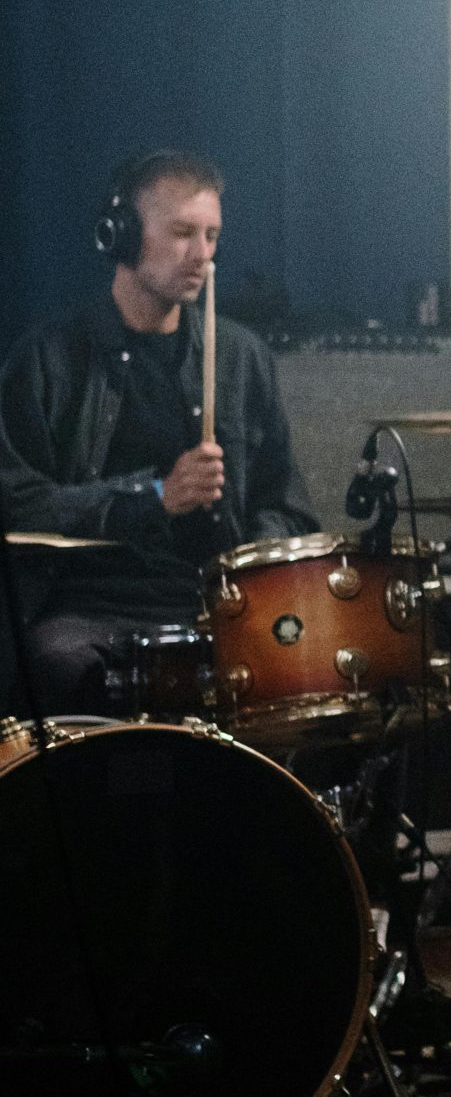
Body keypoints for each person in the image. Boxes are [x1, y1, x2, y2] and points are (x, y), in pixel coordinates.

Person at [0, 149, 316, 713]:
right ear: (119, 236)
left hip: (210, 606)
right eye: (181, 233)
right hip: (86, 610)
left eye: (212, 236)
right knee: (57, 667)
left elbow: (288, 505)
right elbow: (16, 503)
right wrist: (152, 499)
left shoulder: (241, 359)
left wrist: (252, 557)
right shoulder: (47, 361)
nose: (203, 257)